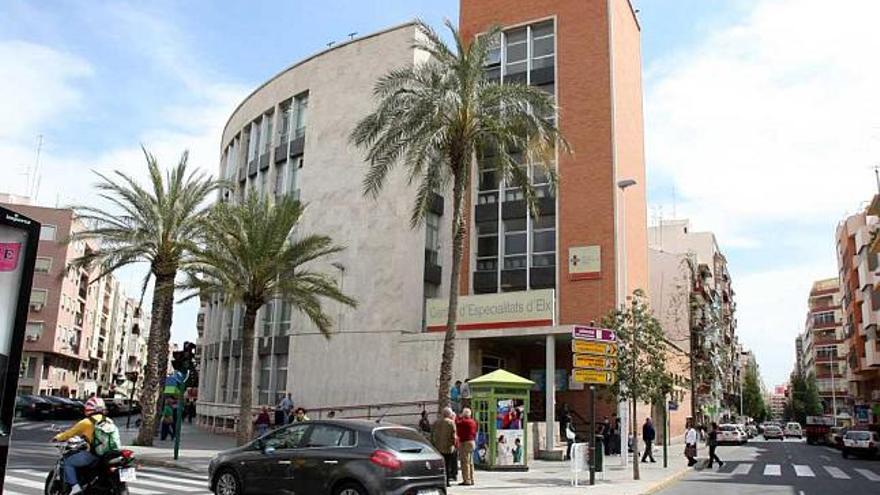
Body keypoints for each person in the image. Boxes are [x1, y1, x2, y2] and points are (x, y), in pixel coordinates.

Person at [52, 397, 114, 495]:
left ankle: (75, 487)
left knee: (67, 461)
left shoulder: (86, 422)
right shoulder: (109, 421)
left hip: (94, 454)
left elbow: (69, 433)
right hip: (109, 454)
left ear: (88, 409)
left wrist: (57, 438)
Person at [432, 407, 458, 487]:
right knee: (447, 465)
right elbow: (453, 436)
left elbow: (432, 434)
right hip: (448, 447)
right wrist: (454, 444)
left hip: (438, 447)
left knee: (439, 465)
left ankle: (438, 480)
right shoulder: (451, 423)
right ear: (449, 414)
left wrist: (433, 444)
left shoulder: (436, 422)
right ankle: (446, 481)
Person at [456, 407, 478, 486]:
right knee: (471, 462)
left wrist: (458, 416)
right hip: (472, 442)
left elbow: (457, 424)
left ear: (464, 414)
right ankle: (471, 479)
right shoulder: (473, 422)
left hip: (465, 442)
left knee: (465, 462)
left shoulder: (464, 422)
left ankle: (466, 480)